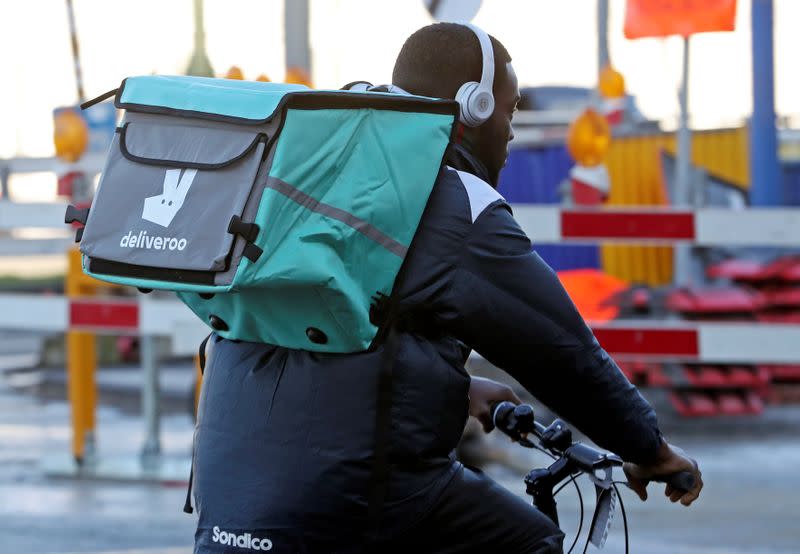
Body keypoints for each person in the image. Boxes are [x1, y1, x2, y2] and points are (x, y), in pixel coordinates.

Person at [190, 22, 703, 553]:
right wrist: (650, 448)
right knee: (530, 542)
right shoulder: (457, 202)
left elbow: (327, 328)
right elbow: (562, 353)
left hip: (226, 497)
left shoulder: (312, 175)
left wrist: (455, 390)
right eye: (508, 109)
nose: (509, 130)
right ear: (472, 108)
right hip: (347, 503)